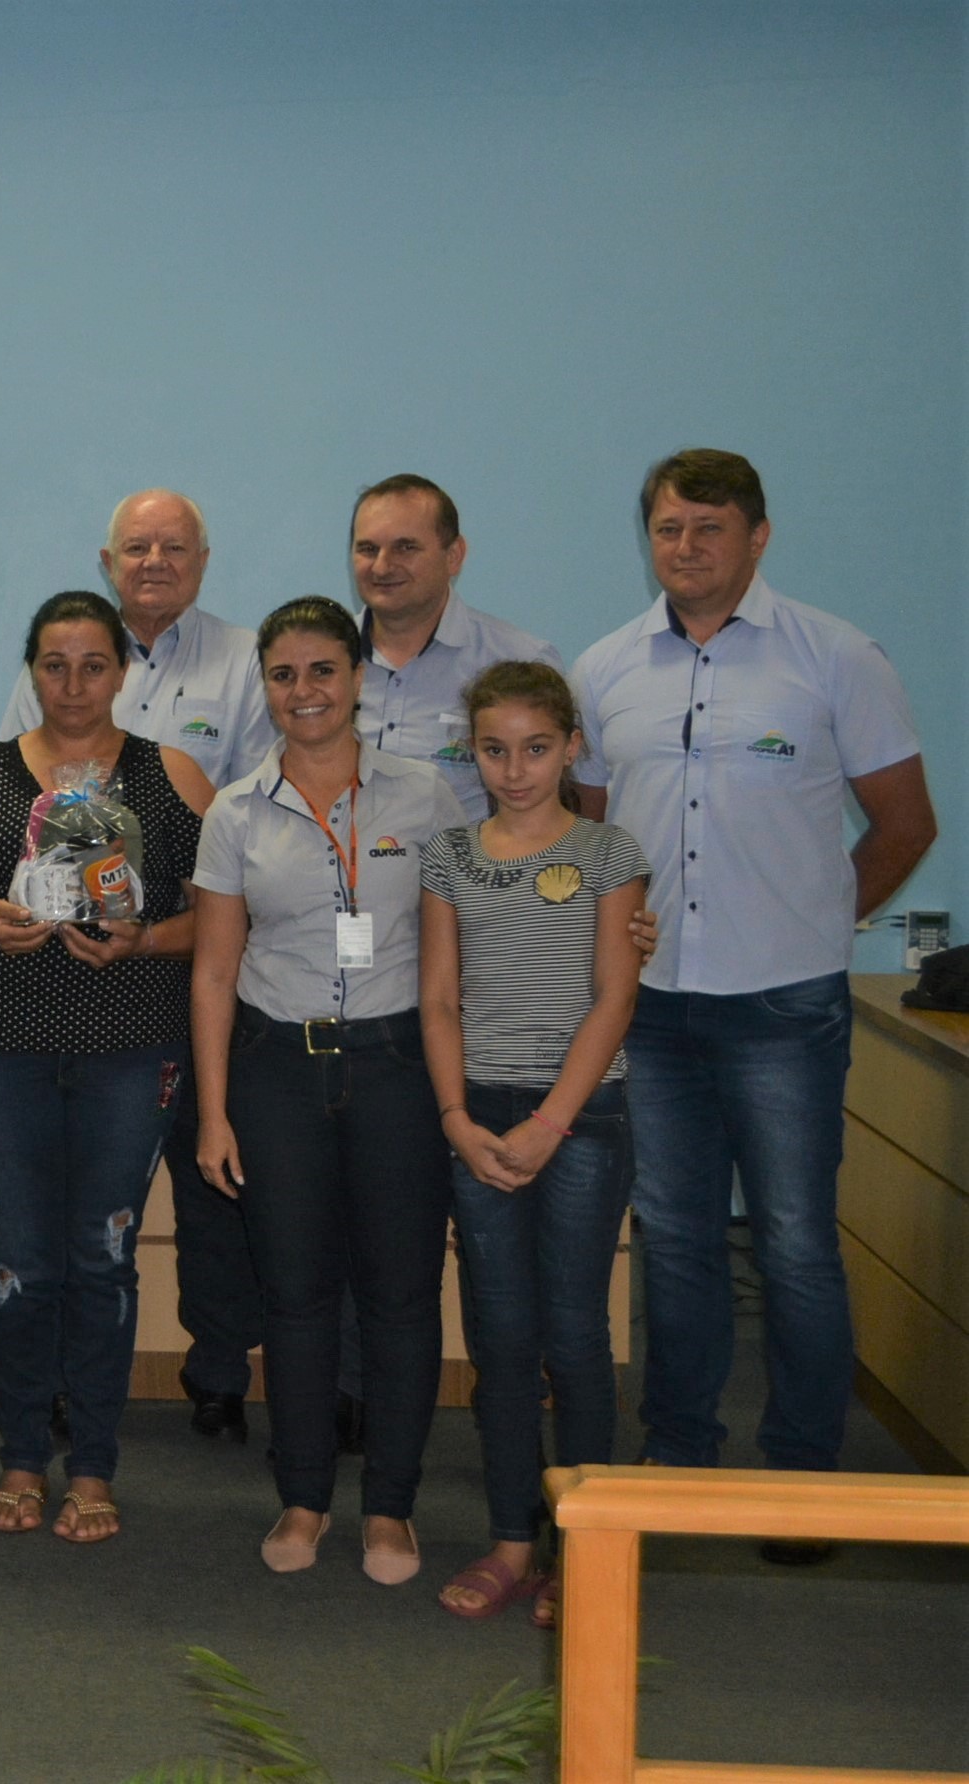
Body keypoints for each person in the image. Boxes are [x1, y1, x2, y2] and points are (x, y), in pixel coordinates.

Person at [572, 450, 935, 1529]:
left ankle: (800, 1475)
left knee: (791, 1237)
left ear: (758, 536)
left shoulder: (834, 657)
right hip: (660, 1004)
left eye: (708, 528)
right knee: (677, 1237)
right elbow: (593, 836)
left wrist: (824, 915)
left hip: (783, 1002)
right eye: (668, 529)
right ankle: (684, 1456)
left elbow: (905, 823)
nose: (685, 548)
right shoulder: (605, 669)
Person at [0, 590, 212, 1543]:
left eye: (93, 665)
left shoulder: (172, 778)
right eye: (53, 664)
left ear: (122, 672)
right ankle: (16, 1459)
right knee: (19, 1263)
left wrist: (144, 940)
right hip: (5, 1051)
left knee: (103, 1258)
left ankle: (91, 1467)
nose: (73, 684)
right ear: (29, 670)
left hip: (131, 1050)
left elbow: (222, 916)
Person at [190, 595, 464, 1583]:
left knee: (398, 1295)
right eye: (282, 674)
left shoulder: (424, 796)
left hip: (395, 1065)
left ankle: (389, 1506)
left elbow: (454, 952)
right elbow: (214, 972)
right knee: (294, 1295)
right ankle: (302, 1498)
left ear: (355, 678)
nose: (302, 692)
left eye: (321, 671)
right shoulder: (232, 810)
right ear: (262, 685)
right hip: (275, 1071)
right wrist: (214, 1110)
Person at [2, 490, 271, 1446]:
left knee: (207, 1189)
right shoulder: (50, 672)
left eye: (172, 546)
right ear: (107, 560)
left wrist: (157, 930)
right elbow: (16, 816)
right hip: (50, 992)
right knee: (63, 1221)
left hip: (189, 976)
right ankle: (66, 1388)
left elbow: (252, 821)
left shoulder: (246, 662)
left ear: (203, 557)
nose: (153, 561)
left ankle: (216, 1368)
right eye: (135, 547)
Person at [418, 661, 646, 1624]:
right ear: (470, 751)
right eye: (493, 750)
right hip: (477, 1117)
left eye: (536, 748)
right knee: (501, 1341)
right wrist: (457, 1121)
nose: (514, 770)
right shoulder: (448, 856)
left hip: (579, 1119)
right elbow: (436, 999)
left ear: (572, 748)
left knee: (574, 1339)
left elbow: (612, 996)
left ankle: (578, 1545)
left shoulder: (607, 853)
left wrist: (550, 1123)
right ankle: (513, 1536)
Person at [347, 476, 560, 820]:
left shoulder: (520, 661)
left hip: (475, 873)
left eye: (406, 547)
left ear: (454, 555)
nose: (383, 566)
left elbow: (555, 817)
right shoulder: (321, 666)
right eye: (368, 549)